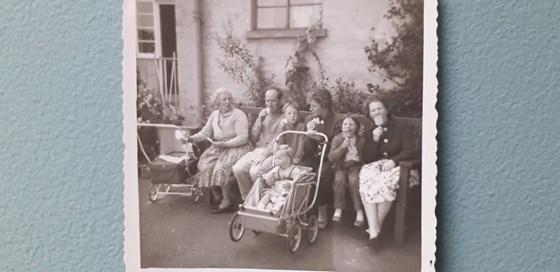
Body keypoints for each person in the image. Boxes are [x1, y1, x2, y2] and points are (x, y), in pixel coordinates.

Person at [358, 96, 420, 240]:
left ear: (386, 109)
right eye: (373, 110)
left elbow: (409, 150)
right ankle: (375, 230)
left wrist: (394, 161)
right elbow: (368, 159)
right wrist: (374, 140)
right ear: (369, 114)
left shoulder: (401, 125)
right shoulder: (370, 131)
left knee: (384, 183)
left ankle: (374, 230)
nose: (377, 112)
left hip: (400, 166)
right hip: (378, 166)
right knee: (366, 179)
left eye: (379, 108)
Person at [186, 88, 252, 213]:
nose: (228, 102)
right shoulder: (215, 115)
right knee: (204, 164)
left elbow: (243, 138)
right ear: (218, 102)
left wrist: (225, 144)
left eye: (229, 99)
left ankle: (226, 201)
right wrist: (191, 139)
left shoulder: (238, 114)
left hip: (237, 147)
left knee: (222, 168)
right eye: (224, 99)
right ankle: (217, 195)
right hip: (220, 147)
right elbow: (205, 132)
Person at [233, 88, 284, 201]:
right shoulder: (264, 115)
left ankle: (260, 200)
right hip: (257, 150)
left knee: (255, 172)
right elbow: (252, 138)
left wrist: (264, 155)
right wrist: (259, 120)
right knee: (238, 168)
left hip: (273, 153)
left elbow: (277, 140)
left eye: (273, 100)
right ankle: (247, 200)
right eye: (267, 101)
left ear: (280, 101)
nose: (270, 104)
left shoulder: (284, 118)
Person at [301, 88, 342, 230]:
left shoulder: (338, 121)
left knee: (322, 175)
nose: (310, 109)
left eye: (314, 106)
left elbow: (337, 149)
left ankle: (322, 211)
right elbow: (308, 150)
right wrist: (307, 134)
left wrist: (319, 139)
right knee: (300, 170)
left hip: (330, 158)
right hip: (313, 157)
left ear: (324, 105)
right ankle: (301, 207)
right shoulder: (309, 119)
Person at [249, 101, 306, 180]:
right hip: (279, 157)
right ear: (284, 116)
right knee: (256, 172)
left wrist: (297, 160)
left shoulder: (301, 126)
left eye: (295, 113)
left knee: (277, 174)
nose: (292, 116)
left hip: (290, 159)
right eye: (289, 113)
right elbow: (276, 142)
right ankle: (260, 190)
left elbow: (301, 145)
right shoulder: (283, 126)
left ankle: (272, 188)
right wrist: (264, 155)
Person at [327, 115, 366, 227]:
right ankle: (338, 209)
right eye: (345, 124)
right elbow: (331, 157)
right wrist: (342, 147)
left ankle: (359, 211)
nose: (347, 127)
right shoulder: (338, 139)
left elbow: (365, 156)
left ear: (356, 128)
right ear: (341, 127)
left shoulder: (361, 140)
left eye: (351, 124)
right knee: (339, 181)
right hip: (341, 166)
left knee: (354, 181)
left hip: (355, 166)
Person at [256, 145, 302, 214]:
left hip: (287, 192)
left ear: (288, 160)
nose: (276, 161)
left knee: (283, 198)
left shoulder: (294, 170)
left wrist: (289, 183)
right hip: (275, 190)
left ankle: (275, 210)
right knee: (267, 194)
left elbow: (298, 183)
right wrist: (269, 176)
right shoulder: (277, 169)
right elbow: (269, 183)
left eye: (279, 159)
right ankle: (260, 207)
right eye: (276, 158)